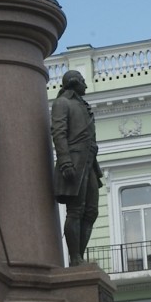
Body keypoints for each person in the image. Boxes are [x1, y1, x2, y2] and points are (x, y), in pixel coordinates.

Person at [51, 70, 103, 266]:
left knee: (91, 211)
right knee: (75, 210)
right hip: (74, 162)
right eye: (83, 81)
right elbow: (58, 132)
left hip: (89, 163)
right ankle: (75, 258)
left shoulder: (82, 104)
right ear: (74, 82)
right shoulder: (62, 103)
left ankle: (79, 256)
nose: (86, 85)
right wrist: (65, 161)